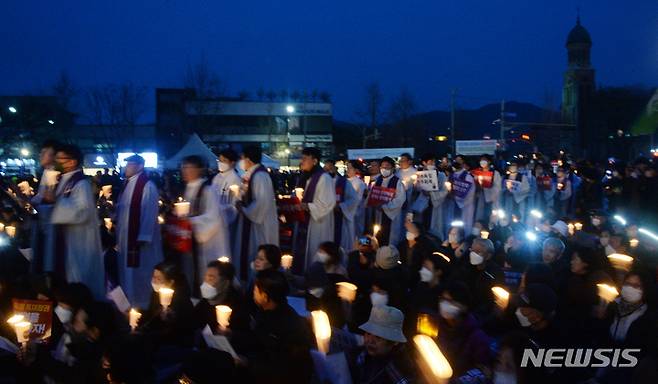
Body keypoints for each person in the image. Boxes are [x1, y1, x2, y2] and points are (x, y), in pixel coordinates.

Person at [48, 144, 104, 298]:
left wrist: (55, 203)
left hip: (78, 241)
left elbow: (81, 212)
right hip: (65, 239)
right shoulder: (63, 180)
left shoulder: (81, 183)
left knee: (77, 277)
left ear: (72, 162)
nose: (57, 162)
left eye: (60, 159)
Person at [241, 269, 314, 383]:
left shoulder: (289, 325)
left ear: (264, 296)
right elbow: (257, 338)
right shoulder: (264, 310)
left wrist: (248, 363)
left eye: (255, 290)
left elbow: (282, 368)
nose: (253, 293)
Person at [116, 154, 163, 307]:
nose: (126, 167)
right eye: (127, 164)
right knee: (127, 273)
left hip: (140, 242)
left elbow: (150, 212)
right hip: (126, 239)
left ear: (140, 166)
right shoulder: (127, 184)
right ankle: (128, 302)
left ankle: (142, 304)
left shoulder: (147, 185)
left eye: (130, 164)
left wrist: (143, 236)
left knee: (141, 273)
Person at [180, 155, 226, 295]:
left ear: (198, 170)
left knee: (205, 274)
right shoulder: (189, 188)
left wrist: (190, 221)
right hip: (191, 240)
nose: (184, 171)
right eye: (183, 167)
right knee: (191, 272)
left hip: (206, 241)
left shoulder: (207, 190)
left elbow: (213, 217)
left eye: (188, 167)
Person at [235, 146, 279, 281]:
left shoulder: (260, 175)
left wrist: (243, 208)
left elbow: (261, 202)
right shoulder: (251, 174)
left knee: (257, 252)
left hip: (260, 224)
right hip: (251, 219)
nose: (241, 161)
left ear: (248, 159)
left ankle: (259, 283)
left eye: (242, 158)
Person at [347, 305, 415, 384]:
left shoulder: (399, 369)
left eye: (378, 337)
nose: (370, 341)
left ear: (394, 341)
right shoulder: (358, 355)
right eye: (368, 333)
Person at [437, 281, 492, 377]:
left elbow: (482, 373)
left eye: (451, 301)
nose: (444, 304)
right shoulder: (433, 325)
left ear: (464, 307)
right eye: (443, 299)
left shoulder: (478, 338)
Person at [193, 260, 249, 332]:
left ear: (226, 283)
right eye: (205, 277)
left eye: (211, 278)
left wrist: (231, 335)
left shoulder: (238, 307)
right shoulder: (205, 302)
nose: (206, 282)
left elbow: (245, 335)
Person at [30, 140, 60, 274]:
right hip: (44, 220)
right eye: (41, 152)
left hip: (51, 222)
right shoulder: (47, 172)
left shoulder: (54, 173)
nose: (41, 155)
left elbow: (49, 198)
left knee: (49, 254)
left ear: (54, 156)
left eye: (44, 153)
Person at [367, 156, 406, 246]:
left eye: (387, 166)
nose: (384, 169)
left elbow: (400, 199)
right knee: (377, 234)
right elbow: (373, 194)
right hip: (378, 214)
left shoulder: (397, 182)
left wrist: (385, 206)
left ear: (392, 168)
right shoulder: (378, 181)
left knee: (389, 237)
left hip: (390, 214)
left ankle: (389, 255)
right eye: (382, 167)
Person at [212, 148, 243, 259]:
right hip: (215, 219)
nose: (220, 163)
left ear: (232, 162)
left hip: (227, 221)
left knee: (227, 249)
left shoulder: (235, 179)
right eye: (219, 160)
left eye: (224, 160)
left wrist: (223, 209)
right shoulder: (216, 177)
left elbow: (235, 203)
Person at [324, 159, 359, 253]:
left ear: (335, 168)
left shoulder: (343, 182)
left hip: (339, 217)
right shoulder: (321, 182)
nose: (329, 171)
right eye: (326, 169)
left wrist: (341, 206)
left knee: (339, 243)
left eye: (330, 168)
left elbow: (354, 199)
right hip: (324, 218)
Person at [412, 153, 449, 239]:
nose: (432, 163)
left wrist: (432, 194)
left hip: (435, 204)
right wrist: (418, 187)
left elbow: (444, 190)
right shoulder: (420, 174)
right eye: (430, 162)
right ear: (424, 163)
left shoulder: (441, 175)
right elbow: (417, 188)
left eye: (433, 162)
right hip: (422, 204)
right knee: (422, 224)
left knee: (434, 225)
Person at [448, 155, 477, 236]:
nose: (457, 162)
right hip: (452, 203)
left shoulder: (467, 176)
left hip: (465, 204)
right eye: (456, 160)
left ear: (463, 163)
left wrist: (459, 198)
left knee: (464, 223)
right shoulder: (451, 175)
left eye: (459, 160)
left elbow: (471, 192)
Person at [473, 154, 502, 222]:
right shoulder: (478, 172)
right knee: (479, 216)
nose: (482, 162)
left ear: (489, 162)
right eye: (481, 160)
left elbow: (498, 187)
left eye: (484, 160)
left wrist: (487, 188)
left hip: (490, 199)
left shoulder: (495, 173)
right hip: (479, 197)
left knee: (489, 217)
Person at [347, 160, 368, 239]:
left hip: (356, 212)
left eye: (350, 168)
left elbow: (358, 199)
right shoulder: (345, 181)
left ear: (356, 170)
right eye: (347, 168)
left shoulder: (359, 183)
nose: (348, 170)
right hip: (347, 210)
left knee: (356, 232)